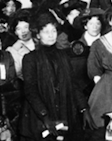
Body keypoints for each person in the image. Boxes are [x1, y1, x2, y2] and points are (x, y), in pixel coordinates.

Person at [19, 13, 88, 141]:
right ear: (38, 35)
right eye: (46, 32)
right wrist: (44, 116)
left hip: (64, 108)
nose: (51, 35)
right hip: (41, 113)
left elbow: (73, 84)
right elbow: (30, 91)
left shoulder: (64, 55)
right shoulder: (30, 58)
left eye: (53, 31)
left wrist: (83, 108)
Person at [7, 10, 36, 78]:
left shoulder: (40, 42)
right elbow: (16, 73)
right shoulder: (13, 50)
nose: (23, 31)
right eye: (18, 29)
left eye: (26, 27)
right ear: (15, 32)